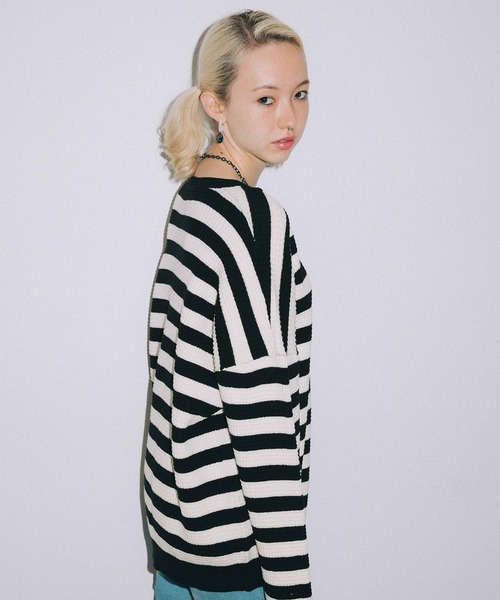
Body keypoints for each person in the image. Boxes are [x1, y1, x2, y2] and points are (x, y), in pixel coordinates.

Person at [144, 10, 313, 600]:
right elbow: (259, 403)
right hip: (234, 544)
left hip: (178, 526)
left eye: (299, 94)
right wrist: (289, 582)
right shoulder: (253, 220)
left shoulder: (194, 200)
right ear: (215, 105)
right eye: (265, 98)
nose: (289, 117)